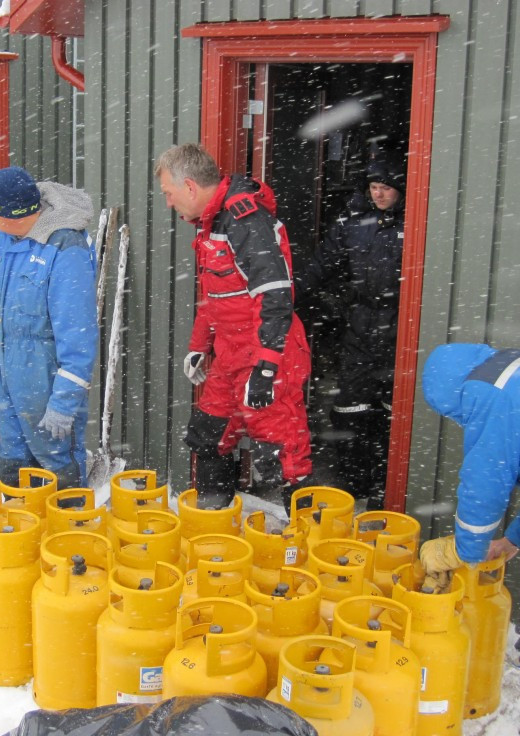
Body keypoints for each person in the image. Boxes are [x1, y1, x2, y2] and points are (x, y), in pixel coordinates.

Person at [155, 143, 312, 512]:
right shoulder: (210, 224)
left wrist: (267, 364)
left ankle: (306, 544)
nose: (169, 204)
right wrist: (199, 345)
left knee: (283, 456)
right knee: (208, 435)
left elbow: (275, 296)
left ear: (190, 187)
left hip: (267, 353)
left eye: (169, 194)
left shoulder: (245, 221)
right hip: (228, 355)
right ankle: (213, 520)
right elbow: (216, 296)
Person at [296, 154, 406, 509]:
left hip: (400, 329)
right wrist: (291, 292)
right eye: (374, 187)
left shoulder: (415, 220)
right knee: (349, 406)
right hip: (360, 322)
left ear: (400, 189)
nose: (379, 194)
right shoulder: (354, 221)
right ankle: (355, 481)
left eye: (386, 188)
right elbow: (325, 261)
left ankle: (386, 486)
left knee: (393, 409)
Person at [0, 167, 98, 491]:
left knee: (56, 463)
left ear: (11, 215)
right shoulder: (4, 237)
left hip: (45, 377)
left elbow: (79, 338)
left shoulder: (64, 248)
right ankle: (19, 532)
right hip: (10, 370)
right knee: (12, 458)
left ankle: (65, 535)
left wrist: (63, 403)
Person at [418, 343, 520, 591]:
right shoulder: (507, 370)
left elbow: (485, 483)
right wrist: (512, 539)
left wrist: (463, 550)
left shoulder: (492, 395)